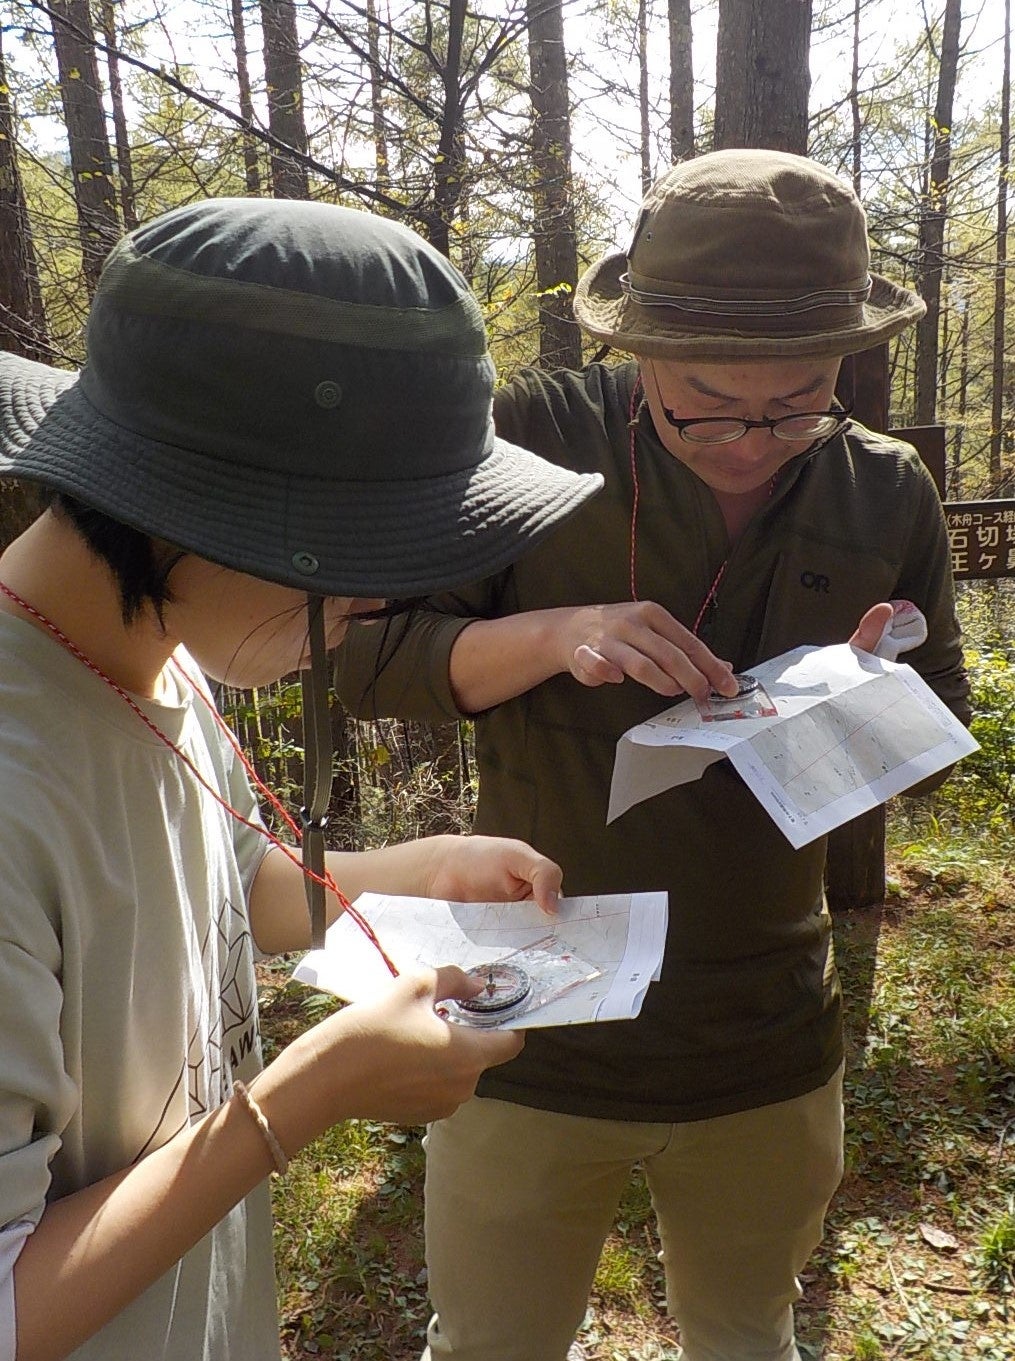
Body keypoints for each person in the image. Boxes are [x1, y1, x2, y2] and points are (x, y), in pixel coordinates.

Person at [332, 149, 971, 1361]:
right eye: (706, 402)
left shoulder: (884, 488)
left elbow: (938, 720)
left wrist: (853, 711)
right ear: (636, 350)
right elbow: (363, 660)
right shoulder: (524, 437)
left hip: (763, 1034)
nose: (751, 440)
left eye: (798, 399)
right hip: (526, 1020)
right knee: (490, 1345)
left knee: (749, 1335)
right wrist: (552, 632)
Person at [0, 196, 604, 1361]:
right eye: (362, 553)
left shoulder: (156, 647)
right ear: (193, 512)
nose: (378, 602)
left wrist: (422, 870)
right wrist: (306, 1093)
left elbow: (233, 889)